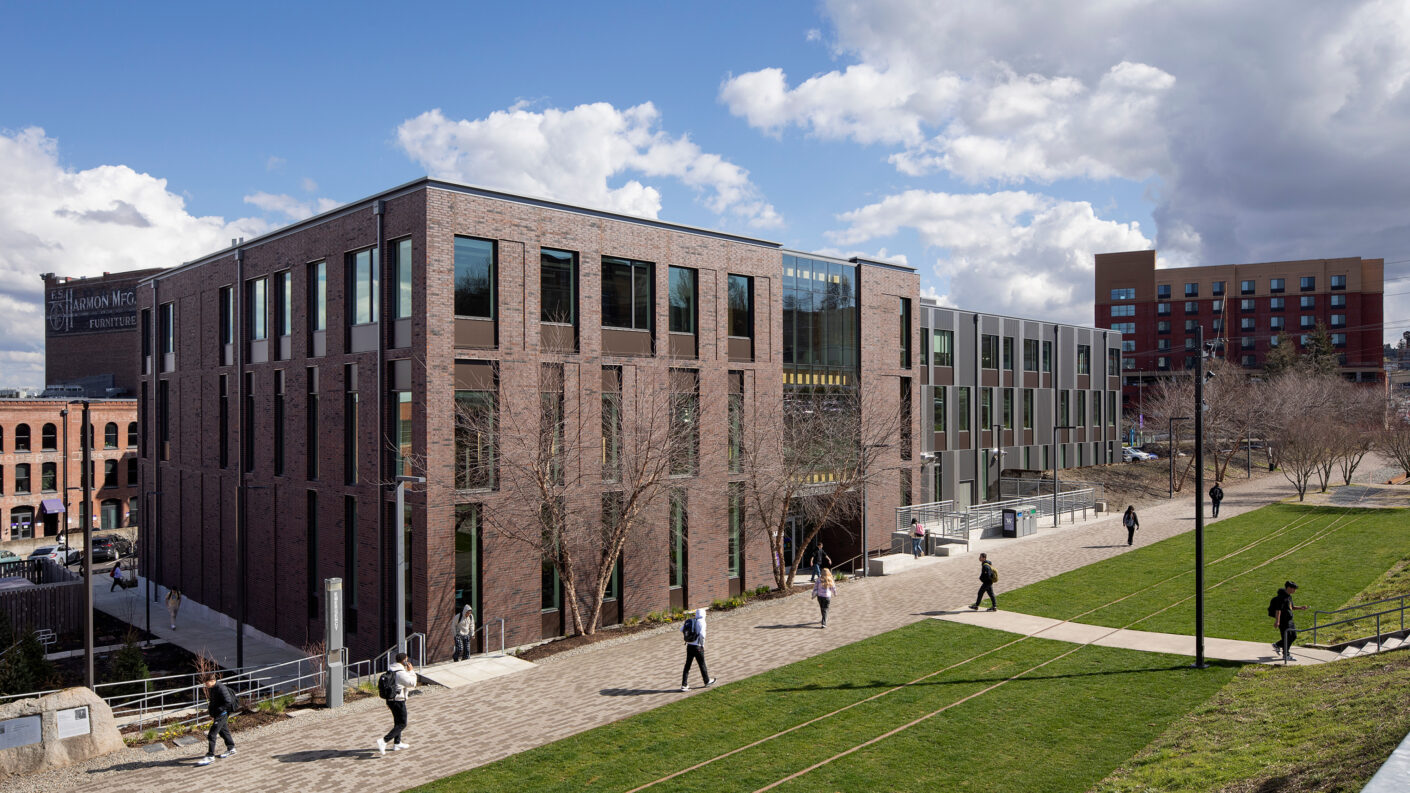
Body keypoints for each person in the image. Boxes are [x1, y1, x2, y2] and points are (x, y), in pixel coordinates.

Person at [377, 652, 417, 754]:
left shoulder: (391, 670)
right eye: (407, 659)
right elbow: (412, 683)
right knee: (403, 723)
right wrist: (411, 671)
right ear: (404, 661)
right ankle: (384, 741)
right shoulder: (400, 672)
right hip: (398, 701)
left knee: (397, 722)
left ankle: (397, 743)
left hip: (390, 700)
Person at [195, 673, 237, 765]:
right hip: (218, 714)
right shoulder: (213, 688)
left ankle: (210, 756)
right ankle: (231, 748)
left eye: (207, 683)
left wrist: (219, 710)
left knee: (211, 734)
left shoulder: (221, 688)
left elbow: (228, 701)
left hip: (222, 714)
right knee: (223, 731)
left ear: (212, 681)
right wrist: (212, 712)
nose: (206, 685)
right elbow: (213, 701)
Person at [679, 607, 716, 692]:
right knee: (702, 664)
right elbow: (702, 635)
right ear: (703, 614)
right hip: (698, 647)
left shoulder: (692, 621)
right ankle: (706, 681)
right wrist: (702, 644)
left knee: (687, 665)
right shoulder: (702, 622)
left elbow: (681, 629)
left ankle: (684, 685)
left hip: (689, 646)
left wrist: (689, 637)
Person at [1272, 581, 1308, 661]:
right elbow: (1278, 610)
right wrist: (1277, 621)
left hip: (1290, 620)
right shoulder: (1281, 597)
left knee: (1293, 636)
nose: (1295, 590)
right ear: (1289, 588)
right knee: (1287, 637)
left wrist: (1301, 608)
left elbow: (1291, 607)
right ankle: (1286, 654)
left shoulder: (1289, 596)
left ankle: (1277, 645)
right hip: (1283, 621)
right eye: (1294, 589)